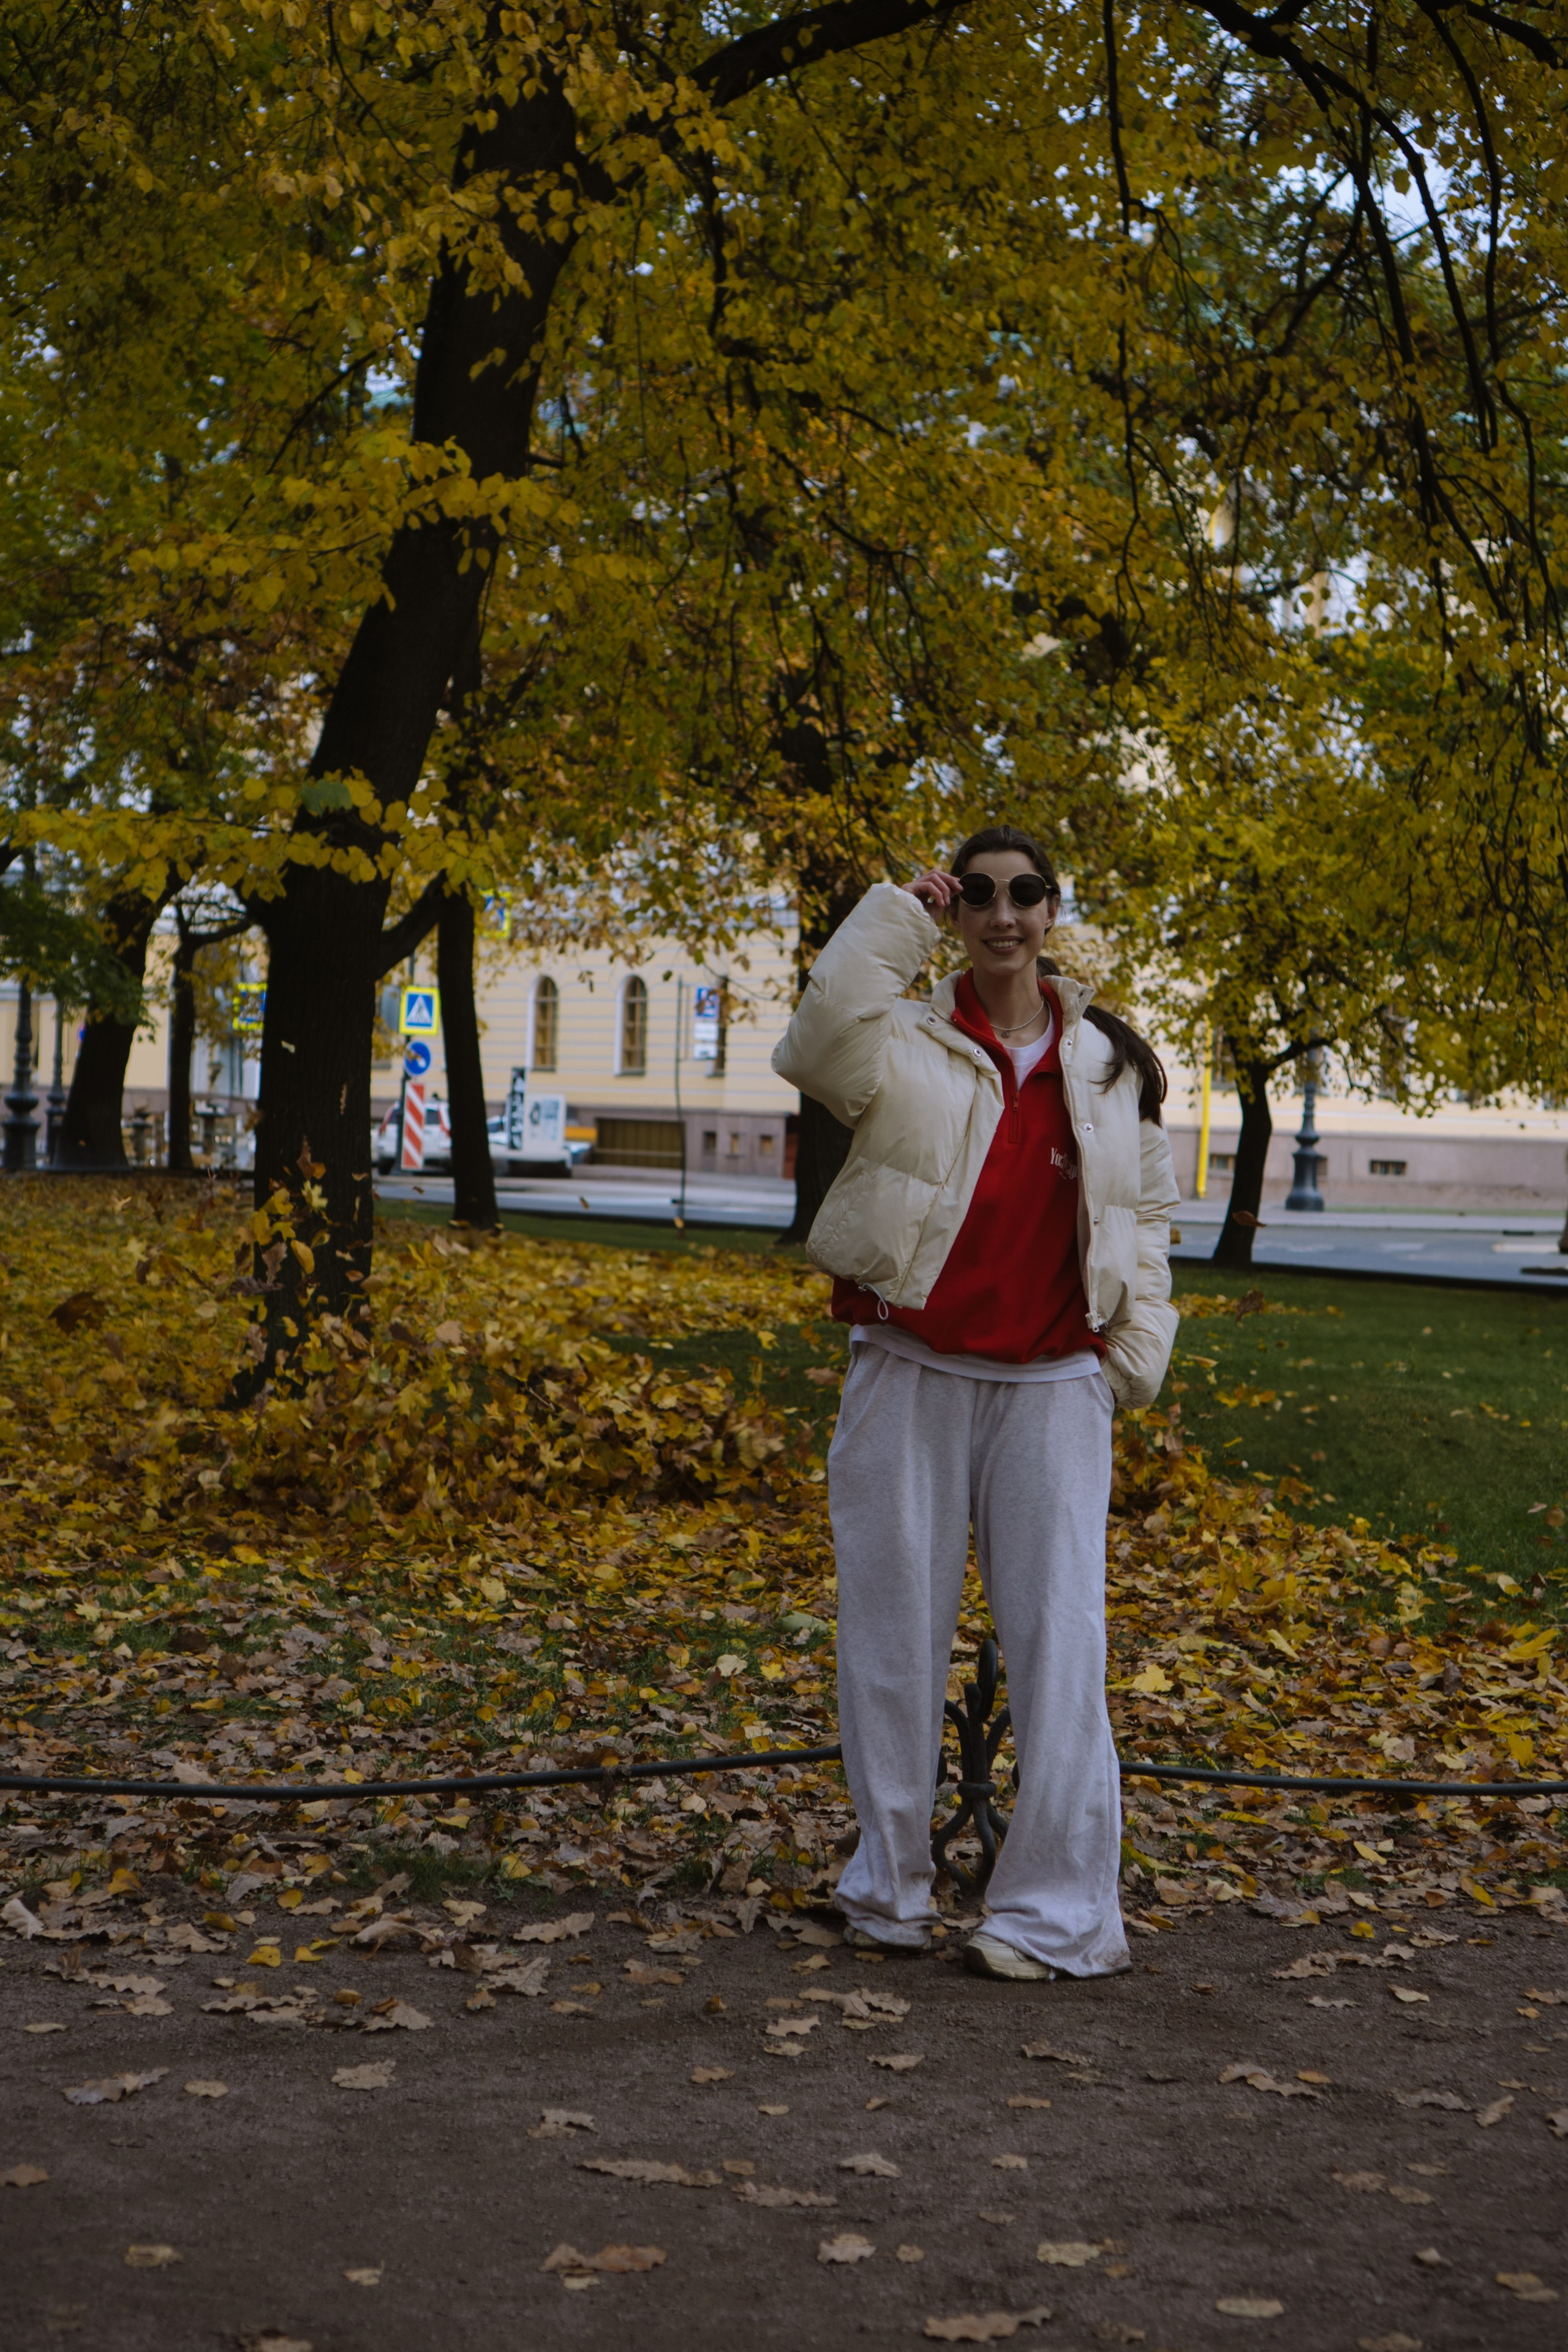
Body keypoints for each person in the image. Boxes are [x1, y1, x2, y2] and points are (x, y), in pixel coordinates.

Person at [772, 825, 1180, 1981]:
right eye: (981, 897)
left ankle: (1052, 1917)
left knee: (1060, 1648)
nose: (1005, 915)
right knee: (891, 1638)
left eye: (1026, 895)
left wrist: (1129, 1353)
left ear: (1054, 909)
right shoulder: (902, 1039)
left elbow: (1148, 1223)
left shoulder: (1108, 1064)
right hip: (911, 1368)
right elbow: (811, 1045)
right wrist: (896, 912)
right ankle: (887, 1889)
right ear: (958, 914)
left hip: (1053, 1384)